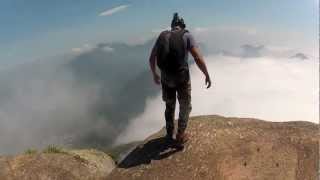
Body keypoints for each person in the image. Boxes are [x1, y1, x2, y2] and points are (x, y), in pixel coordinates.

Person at [149, 13, 212, 147]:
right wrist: (206, 74)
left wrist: (155, 74)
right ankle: (180, 135)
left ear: (172, 26)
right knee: (185, 106)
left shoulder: (162, 36)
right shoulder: (187, 35)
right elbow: (197, 57)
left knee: (169, 106)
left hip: (166, 78)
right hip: (182, 78)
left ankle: (169, 134)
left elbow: (151, 58)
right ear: (182, 26)